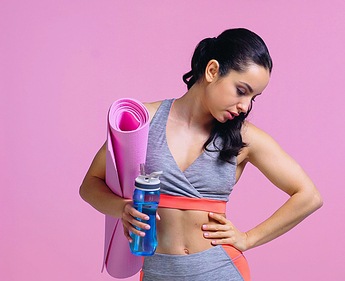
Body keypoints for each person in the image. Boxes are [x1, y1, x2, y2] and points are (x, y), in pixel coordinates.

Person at [80, 28, 322, 281]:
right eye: (241, 90)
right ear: (212, 71)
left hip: (221, 271)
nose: (245, 106)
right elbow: (90, 185)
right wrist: (123, 209)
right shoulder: (144, 121)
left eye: (254, 98)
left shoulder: (245, 137)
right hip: (157, 273)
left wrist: (248, 238)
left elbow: (309, 196)